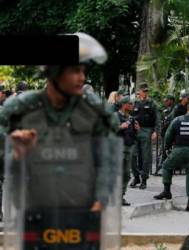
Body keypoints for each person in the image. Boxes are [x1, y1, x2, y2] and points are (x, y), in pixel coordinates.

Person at [0, 33, 122, 249]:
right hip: (34, 212)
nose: (82, 78)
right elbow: (5, 163)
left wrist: (100, 201)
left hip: (84, 212)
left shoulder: (94, 113)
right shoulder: (18, 112)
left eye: (83, 71)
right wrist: (15, 152)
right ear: (55, 72)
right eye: (75, 70)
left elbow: (108, 161)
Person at [154, 99, 189, 212]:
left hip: (178, 151)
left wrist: (166, 147)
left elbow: (168, 136)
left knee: (166, 166)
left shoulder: (177, 120)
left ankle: (167, 191)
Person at [130, 83, 160, 189]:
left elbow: (157, 118)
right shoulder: (134, 103)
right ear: (139, 92)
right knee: (132, 155)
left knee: (146, 156)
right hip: (135, 131)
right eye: (143, 91)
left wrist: (156, 132)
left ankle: (144, 179)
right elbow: (130, 116)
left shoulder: (152, 103)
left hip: (147, 130)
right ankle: (136, 176)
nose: (145, 92)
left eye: (146, 91)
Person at [116, 96, 140, 206]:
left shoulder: (131, 118)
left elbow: (134, 135)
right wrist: (120, 127)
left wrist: (137, 130)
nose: (132, 106)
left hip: (128, 149)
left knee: (126, 174)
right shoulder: (115, 116)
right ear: (124, 104)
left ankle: (121, 197)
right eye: (130, 104)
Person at [156, 94, 175, 175]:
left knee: (165, 150)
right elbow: (163, 121)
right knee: (163, 150)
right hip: (165, 133)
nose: (165, 102)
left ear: (171, 101)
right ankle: (162, 166)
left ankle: (162, 166)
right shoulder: (165, 110)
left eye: (167, 100)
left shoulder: (174, 110)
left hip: (171, 133)